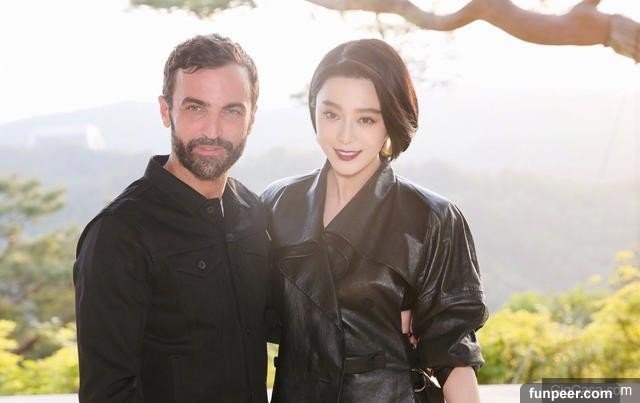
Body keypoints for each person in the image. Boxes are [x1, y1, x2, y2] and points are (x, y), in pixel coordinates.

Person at [262, 39, 488, 403]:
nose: (345, 135)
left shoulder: (432, 218)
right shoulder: (278, 203)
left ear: (390, 122)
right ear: (314, 110)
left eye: (366, 119)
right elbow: (251, 313)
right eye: (331, 115)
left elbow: (453, 351)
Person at [73, 34, 272, 403]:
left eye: (231, 111)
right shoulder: (120, 233)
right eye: (196, 108)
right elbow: (107, 392)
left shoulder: (253, 212)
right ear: (166, 111)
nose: (213, 131)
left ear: (251, 119)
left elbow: (289, 320)